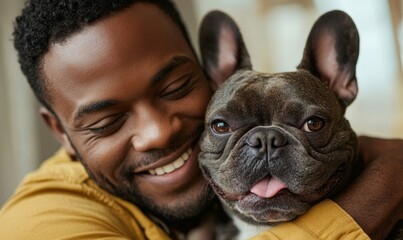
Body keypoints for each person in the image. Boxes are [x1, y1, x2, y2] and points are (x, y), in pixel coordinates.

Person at [0, 0, 402, 239]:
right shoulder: (38, 223)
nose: (158, 132)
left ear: (211, 74)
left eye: (176, 88)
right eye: (106, 122)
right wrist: (380, 192)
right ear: (60, 132)